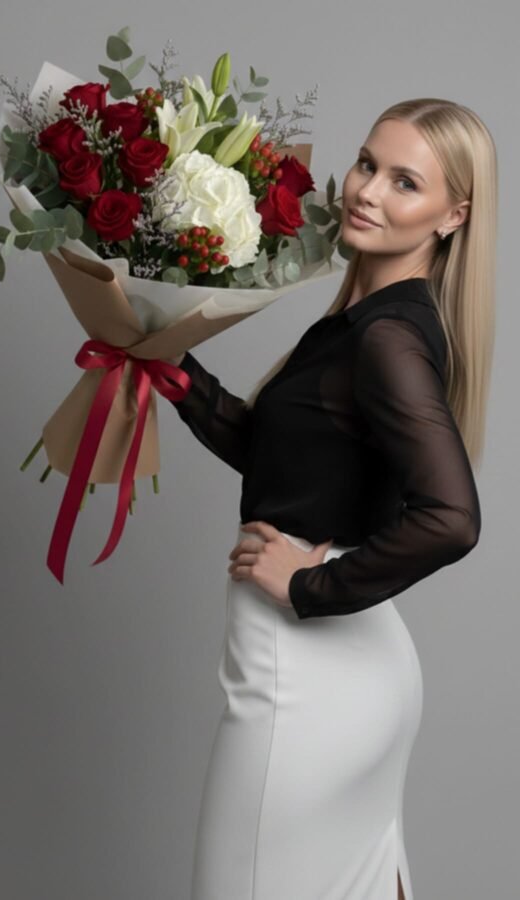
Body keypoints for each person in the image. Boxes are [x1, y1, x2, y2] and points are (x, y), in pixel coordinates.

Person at [165, 99, 497, 900]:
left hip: (309, 678)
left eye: (404, 182)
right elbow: (280, 463)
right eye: (367, 163)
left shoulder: (386, 338)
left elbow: (454, 519)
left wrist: (308, 586)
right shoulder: (365, 321)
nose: (367, 190)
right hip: (347, 670)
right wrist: (169, 370)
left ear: (453, 215)